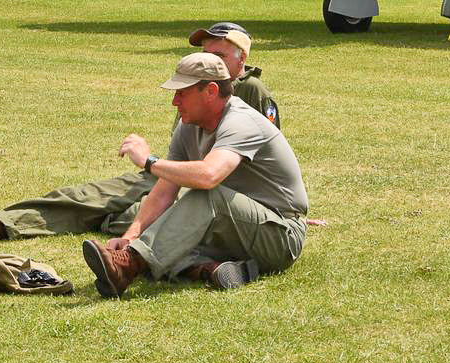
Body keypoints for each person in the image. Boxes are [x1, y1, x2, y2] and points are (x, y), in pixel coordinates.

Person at [0, 22, 277, 241]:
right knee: (87, 195)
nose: (207, 60)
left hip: (215, 190)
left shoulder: (252, 93)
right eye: (204, 53)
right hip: (172, 174)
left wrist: (272, 213)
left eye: (218, 55)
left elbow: (266, 166)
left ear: (241, 59)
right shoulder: (194, 84)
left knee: (118, 216)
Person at [82, 51, 307, 296]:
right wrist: (131, 237)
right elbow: (164, 192)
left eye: (182, 93)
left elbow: (209, 175)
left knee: (206, 196)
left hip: (280, 235)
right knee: (165, 235)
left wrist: (149, 161)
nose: (174, 102)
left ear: (210, 91)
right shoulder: (188, 125)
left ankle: (128, 267)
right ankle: (209, 270)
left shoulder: (241, 122)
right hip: (232, 229)